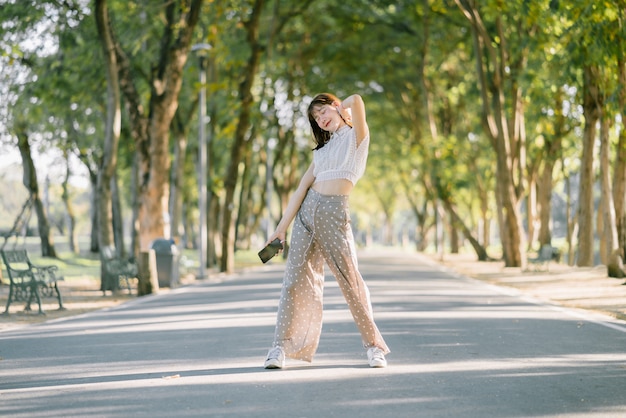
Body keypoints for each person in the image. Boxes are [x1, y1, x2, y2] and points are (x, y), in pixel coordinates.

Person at [263, 92, 390, 369]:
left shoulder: (358, 137)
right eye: (316, 118)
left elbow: (356, 99)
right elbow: (300, 190)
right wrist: (280, 229)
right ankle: (279, 348)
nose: (321, 120)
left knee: (350, 282)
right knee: (294, 282)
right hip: (307, 214)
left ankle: (374, 347)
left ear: (335, 107)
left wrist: (339, 109)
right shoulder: (321, 151)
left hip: (334, 214)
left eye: (323, 113)